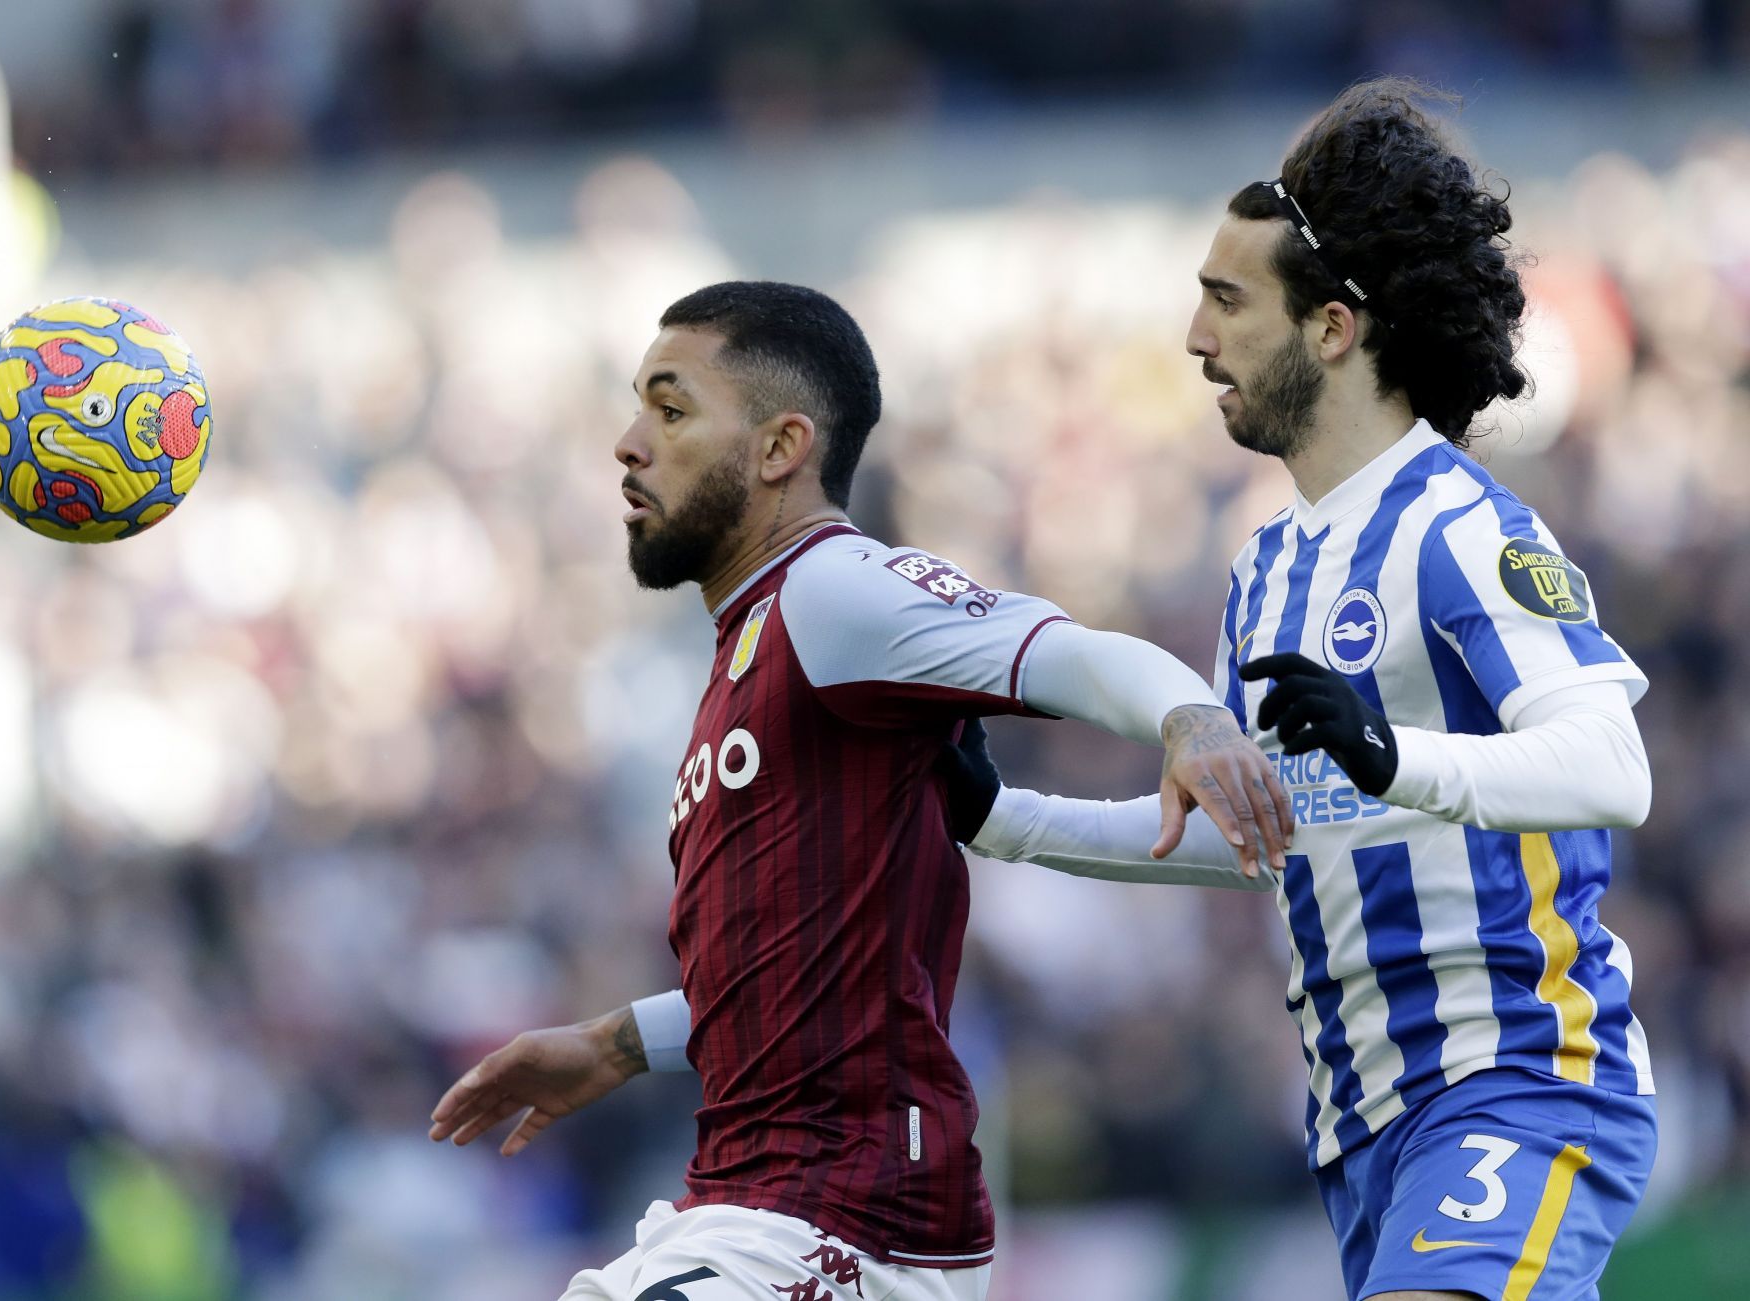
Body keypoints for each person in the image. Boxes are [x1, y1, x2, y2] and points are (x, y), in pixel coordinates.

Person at [427, 280, 1289, 1301]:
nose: (627, 441)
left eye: (669, 408)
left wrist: (1193, 720)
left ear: (780, 447)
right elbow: (801, 970)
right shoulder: (746, 656)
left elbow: (1069, 650)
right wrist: (615, 1043)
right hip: (749, 1210)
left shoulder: (833, 590)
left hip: (844, 1220)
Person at [951, 79, 1658, 1301]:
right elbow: (1258, 836)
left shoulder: (1462, 529)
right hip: (1362, 1124)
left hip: (1519, 1078)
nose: (1194, 337)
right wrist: (1005, 819)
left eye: (1227, 301)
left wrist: (1395, 756)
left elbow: (1613, 765)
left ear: (1333, 327)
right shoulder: (1266, 569)